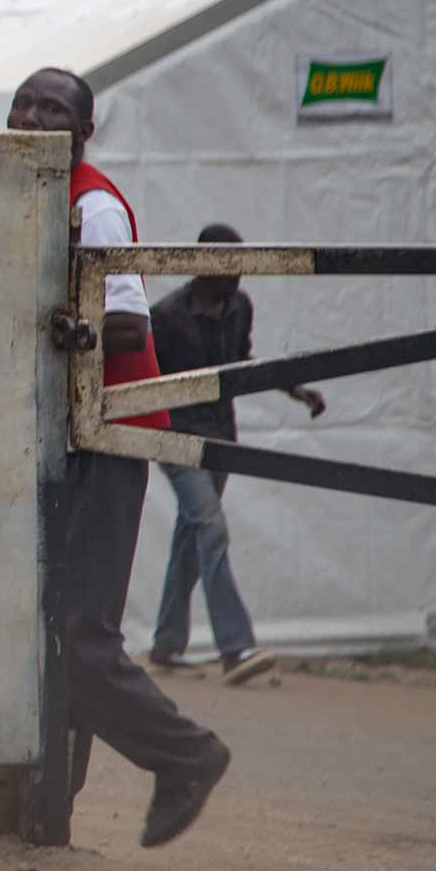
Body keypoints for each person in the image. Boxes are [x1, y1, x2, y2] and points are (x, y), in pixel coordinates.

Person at [8, 67, 231, 848]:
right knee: (46, 629)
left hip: (110, 431)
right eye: (24, 103)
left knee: (78, 632)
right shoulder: (14, 193)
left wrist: (67, 327)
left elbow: (131, 329)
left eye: (54, 109)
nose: (33, 117)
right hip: (62, 435)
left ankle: (187, 755)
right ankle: (47, 809)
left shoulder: (92, 205)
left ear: (85, 132)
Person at [148, 224, 325, 685]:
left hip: (221, 437)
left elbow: (245, 364)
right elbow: (142, 381)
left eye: (241, 266)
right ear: (202, 265)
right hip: (177, 437)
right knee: (210, 527)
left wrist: (295, 389)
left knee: (192, 536)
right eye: (228, 266)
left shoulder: (240, 307)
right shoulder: (166, 316)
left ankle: (167, 645)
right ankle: (235, 646)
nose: (238, 276)